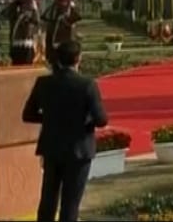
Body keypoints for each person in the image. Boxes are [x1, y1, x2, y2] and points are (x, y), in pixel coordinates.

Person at [21, 41, 108, 222]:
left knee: (48, 200)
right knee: (70, 203)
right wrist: (83, 121)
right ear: (78, 58)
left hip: (51, 148)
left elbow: (28, 114)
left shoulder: (44, 83)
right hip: (79, 150)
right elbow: (101, 120)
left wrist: (51, 119)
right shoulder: (86, 84)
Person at [41, 0, 82, 66]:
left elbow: (74, 21)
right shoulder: (54, 8)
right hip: (54, 41)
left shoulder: (71, 7)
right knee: (55, 64)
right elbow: (46, 21)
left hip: (67, 40)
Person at [5, 0, 41, 66]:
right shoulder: (15, 4)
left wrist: (33, 13)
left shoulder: (32, 5)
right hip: (17, 41)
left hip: (27, 41)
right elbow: (7, 15)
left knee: (27, 66)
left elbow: (37, 21)